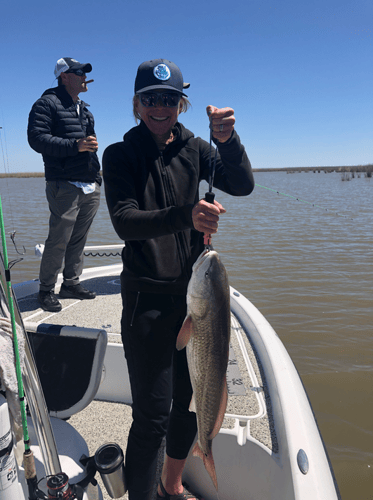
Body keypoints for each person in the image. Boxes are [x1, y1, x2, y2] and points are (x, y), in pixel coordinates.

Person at [103, 58, 254, 500]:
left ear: (181, 104)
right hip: (146, 300)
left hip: (194, 302)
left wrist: (227, 141)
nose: (160, 107)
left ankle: (171, 485)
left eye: (169, 99)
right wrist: (185, 215)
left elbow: (241, 183)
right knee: (151, 414)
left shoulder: (196, 149)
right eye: (151, 98)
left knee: (190, 404)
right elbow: (125, 222)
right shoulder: (120, 155)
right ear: (136, 104)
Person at [28, 57, 101, 312]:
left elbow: (90, 146)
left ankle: (71, 284)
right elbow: (37, 139)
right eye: (79, 72)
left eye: (84, 73)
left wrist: (97, 175)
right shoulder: (46, 104)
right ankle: (46, 290)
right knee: (58, 239)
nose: (84, 77)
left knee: (79, 239)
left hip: (89, 185)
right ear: (65, 77)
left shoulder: (85, 109)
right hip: (64, 185)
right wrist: (75, 146)